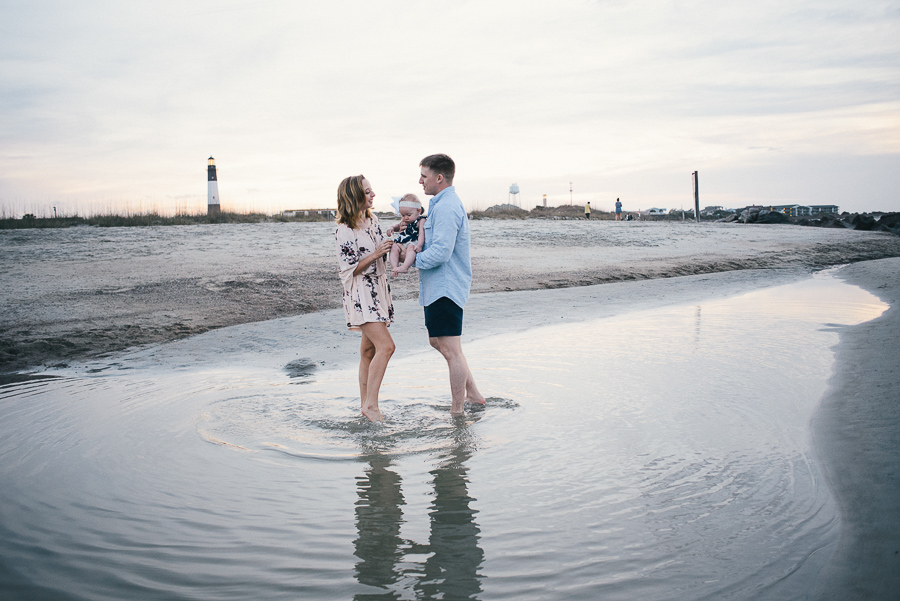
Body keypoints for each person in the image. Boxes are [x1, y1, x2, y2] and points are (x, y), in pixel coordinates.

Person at [415, 154, 486, 415]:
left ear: (439, 178)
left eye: (424, 176)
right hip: (438, 287)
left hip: (446, 287)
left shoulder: (446, 207)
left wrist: (410, 260)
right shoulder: (439, 204)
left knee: (451, 350)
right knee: (439, 342)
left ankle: (457, 411)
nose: (420, 181)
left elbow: (442, 253)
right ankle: (474, 394)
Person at [335, 175, 395, 423]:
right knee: (387, 346)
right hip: (361, 293)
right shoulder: (344, 229)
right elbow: (348, 269)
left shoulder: (373, 220)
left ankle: (364, 405)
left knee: (368, 351)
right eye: (368, 192)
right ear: (354, 196)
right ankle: (371, 406)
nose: (373, 195)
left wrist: (395, 235)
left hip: (378, 289)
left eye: (372, 190)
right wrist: (376, 254)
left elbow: (383, 247)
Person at [385, 194, 426, 277]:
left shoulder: (420, 220)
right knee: (394, 247)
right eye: (403, 215)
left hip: (413, 241)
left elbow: (422, 233)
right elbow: (398, 226)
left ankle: (405, 266)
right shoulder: (404, 221)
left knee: (411, 248)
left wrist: (419, 245)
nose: (405, 218)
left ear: (418, 210)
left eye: (408, 215)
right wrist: (392, 228)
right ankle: (394, 267)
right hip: (402, 241)